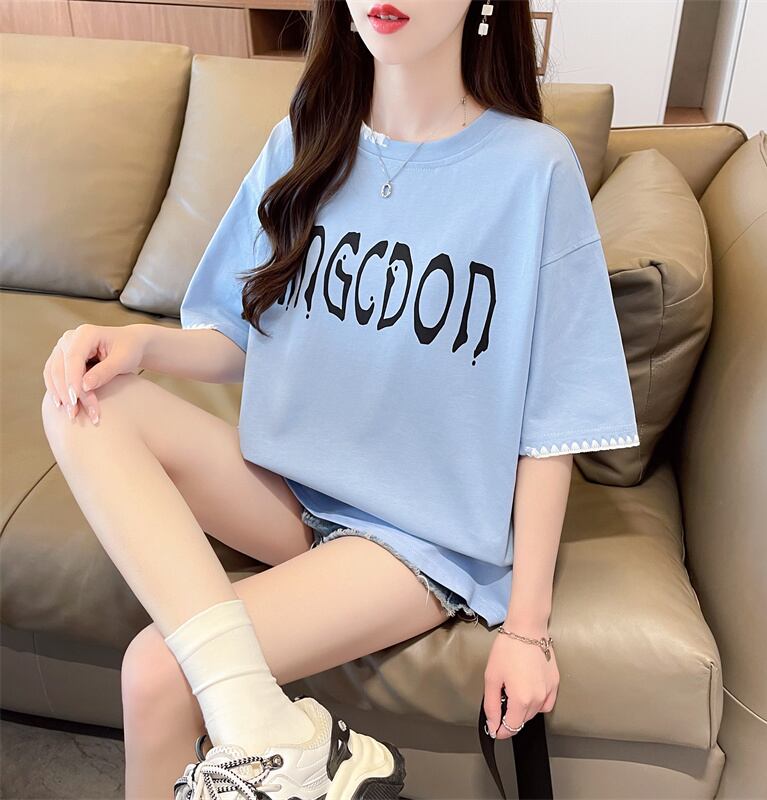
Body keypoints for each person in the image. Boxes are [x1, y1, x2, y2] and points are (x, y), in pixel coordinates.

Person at [40, 1, 639, 798]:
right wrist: (139, 346)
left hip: (414, 539)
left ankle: (258, 722)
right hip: (295, 493)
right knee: (81, 399)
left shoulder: (534, 169)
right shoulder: (306, 140)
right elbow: (244, 333)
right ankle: (271, 728)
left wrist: (527, 631)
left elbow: (551, 421)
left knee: (158, 669)